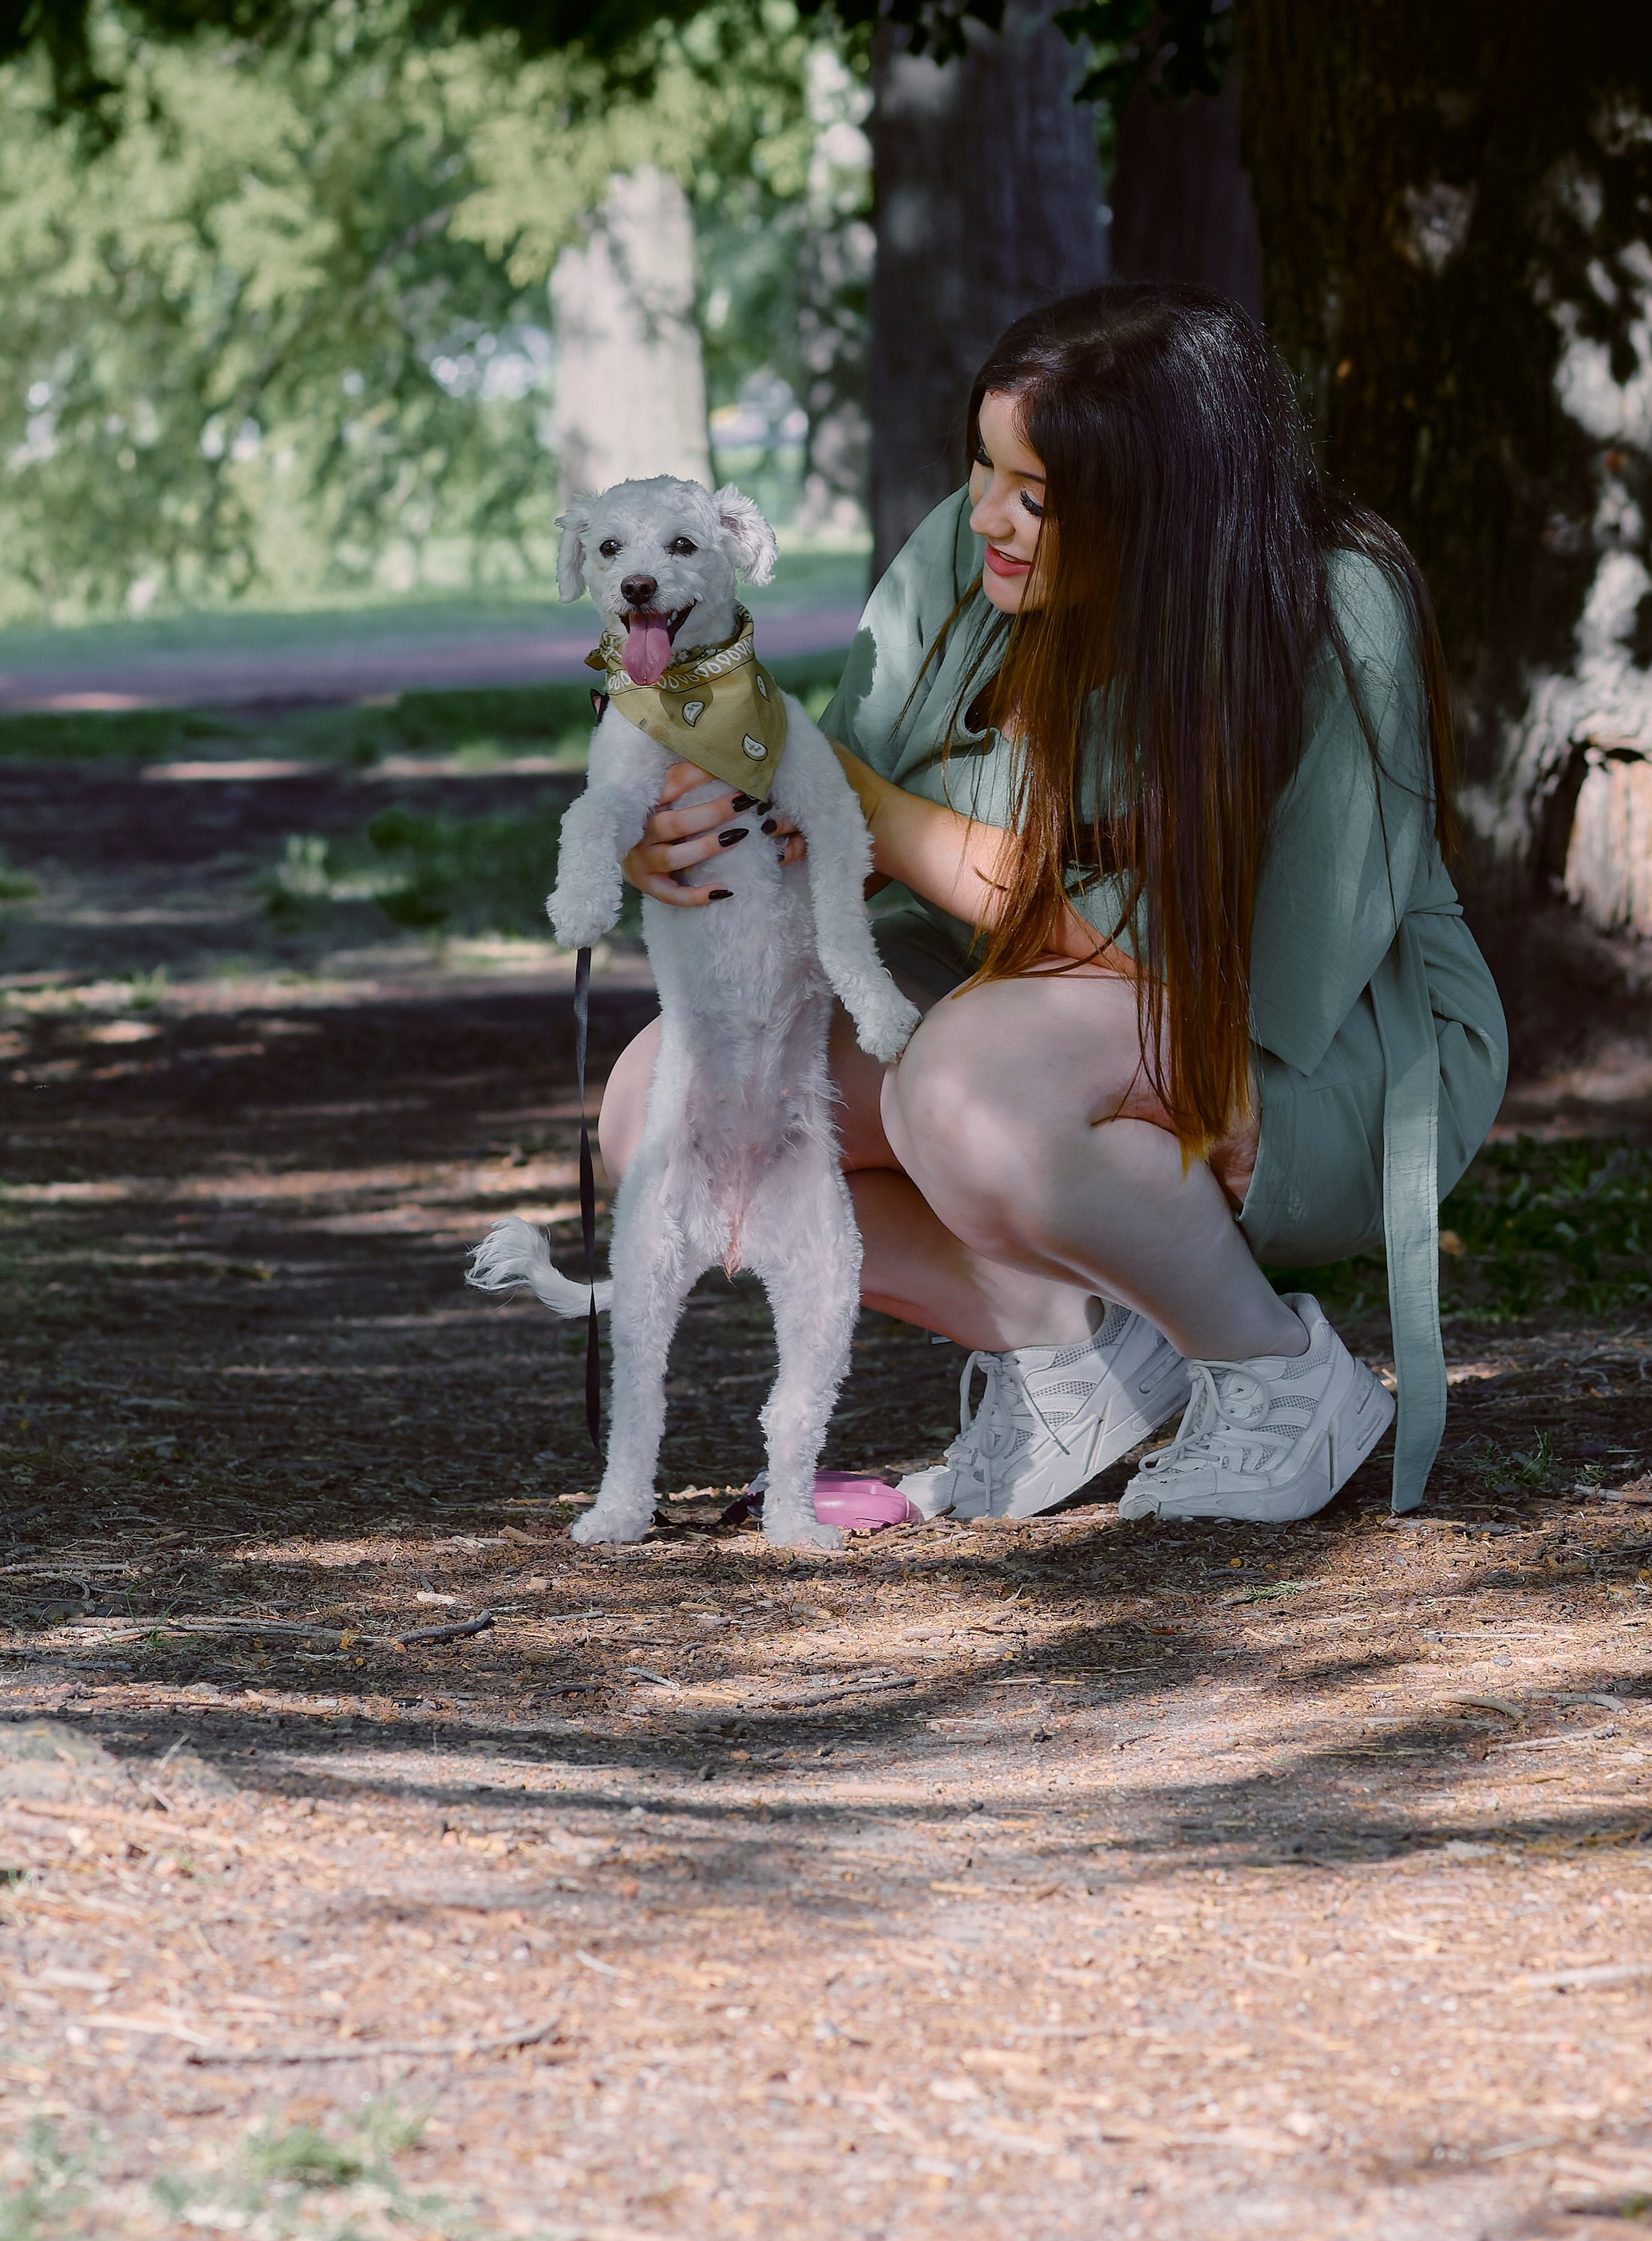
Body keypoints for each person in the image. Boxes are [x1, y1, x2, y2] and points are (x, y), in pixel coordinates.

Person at [599, 284, 1507, 1525]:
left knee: (966, 1080)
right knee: (670, 1103)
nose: (986, 517)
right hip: (1016, 1004)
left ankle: (1276, 1374)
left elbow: (1211, 976)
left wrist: (864, 806)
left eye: (1036, 494)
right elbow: (840, 842)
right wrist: (701, 839)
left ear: (1162, 506)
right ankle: (1071, 1353)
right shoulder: (966, 561)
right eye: (983, 468)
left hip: (1309, 1048)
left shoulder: (1337, 610)